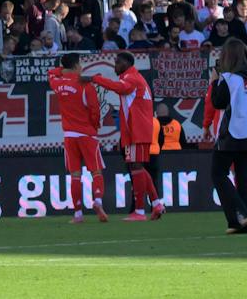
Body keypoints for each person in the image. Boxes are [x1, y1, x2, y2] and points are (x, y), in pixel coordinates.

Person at [83, 53, 165, 220]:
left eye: (118, 62)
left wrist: (95, 79)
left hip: (136, 130)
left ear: (127, 63)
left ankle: (140, 211)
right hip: (137, 129)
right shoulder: (136, 78)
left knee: (136, 167)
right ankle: (156, 204)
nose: (115, 66)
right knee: (138, 167)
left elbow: (119, 88)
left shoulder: (131, 78)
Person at [206, 38, 247, 234]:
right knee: (244, 178)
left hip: (233, 133)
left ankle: (240, 216)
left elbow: (218, 103)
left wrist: (215, 82)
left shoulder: (229, 79)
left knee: (218, 173)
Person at [47, 53, 110, 223]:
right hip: (87, 134)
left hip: (69, 135)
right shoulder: (85, 84)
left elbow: (51, 73)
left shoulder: (58, 83)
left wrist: (63, 70)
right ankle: (98, 201)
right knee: (96, 171)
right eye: (80, 64)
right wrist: (95, 127)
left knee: (75, 175)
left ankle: (78, 214)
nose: (81, 67)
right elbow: (95, 109)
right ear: (76, 66)